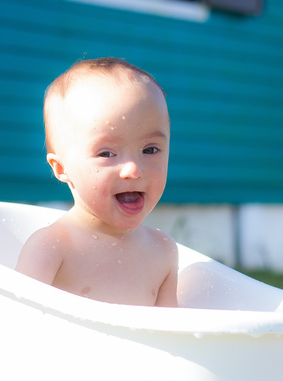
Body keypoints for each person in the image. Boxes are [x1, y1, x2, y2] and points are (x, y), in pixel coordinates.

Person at [15, 58, 178, 307]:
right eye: (107, 154)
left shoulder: (163, 251)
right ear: (61, 168)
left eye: (150, 149)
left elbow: (174, 334)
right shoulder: (53, 247)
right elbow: (14, 324)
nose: (133, 170)